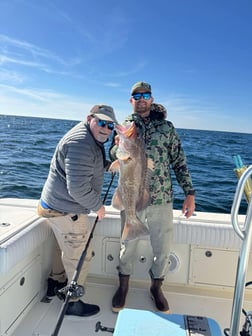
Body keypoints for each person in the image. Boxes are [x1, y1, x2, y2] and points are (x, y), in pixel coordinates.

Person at [109, 81, 195, 314]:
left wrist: (189, 193)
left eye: (146, 95)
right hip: (130, 196)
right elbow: (112, 155)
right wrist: (116, 146)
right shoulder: (126, 127)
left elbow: (179, 161)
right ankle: (123, 286)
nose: (142, 99)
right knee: (127, 245)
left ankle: (156, 288)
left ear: (152, 99)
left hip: (162, 198)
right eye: (137, 96)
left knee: (163, 248)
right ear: (131, 101)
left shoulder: (167, 128)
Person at [37, 104, 118, 317]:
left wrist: (109, 165)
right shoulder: (81, 143)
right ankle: (73, 302)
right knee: (80, 255)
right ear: (89, 118)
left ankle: (56, 284)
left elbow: (87, 164)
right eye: (101, 122)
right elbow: (78, 188)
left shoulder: (88, 137)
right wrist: (98, 206)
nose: (106, 129)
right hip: (67, 209)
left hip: (54, 205)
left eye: (110, 126)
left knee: (62, 250)